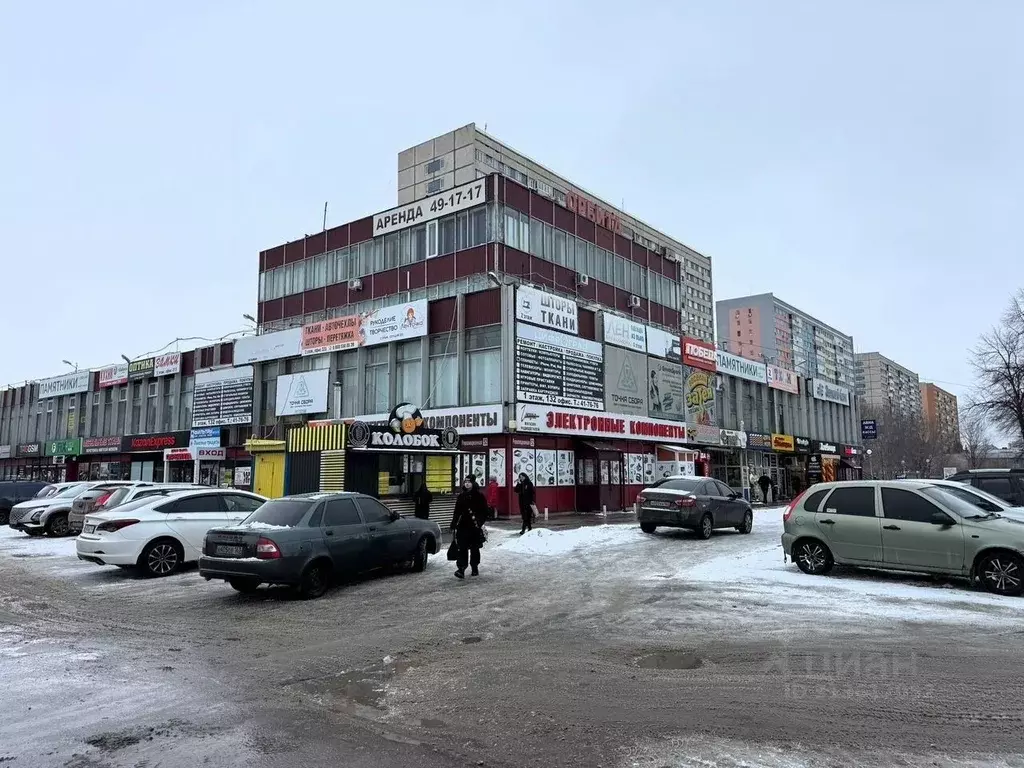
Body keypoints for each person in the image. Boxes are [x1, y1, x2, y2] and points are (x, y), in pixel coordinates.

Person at [451, 476, 488, 579]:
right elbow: (457, 511)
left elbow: (484, 511)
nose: (466, 484)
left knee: (474, 548)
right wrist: (454, 523)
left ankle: (474, 567)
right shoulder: (461, 496)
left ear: (473, 483)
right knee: (462, 548)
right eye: (465, 482)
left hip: (474, 527)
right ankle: (461, 568)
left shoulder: (479, 496)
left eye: (469, 482)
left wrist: (479, 522)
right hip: (463, 526)